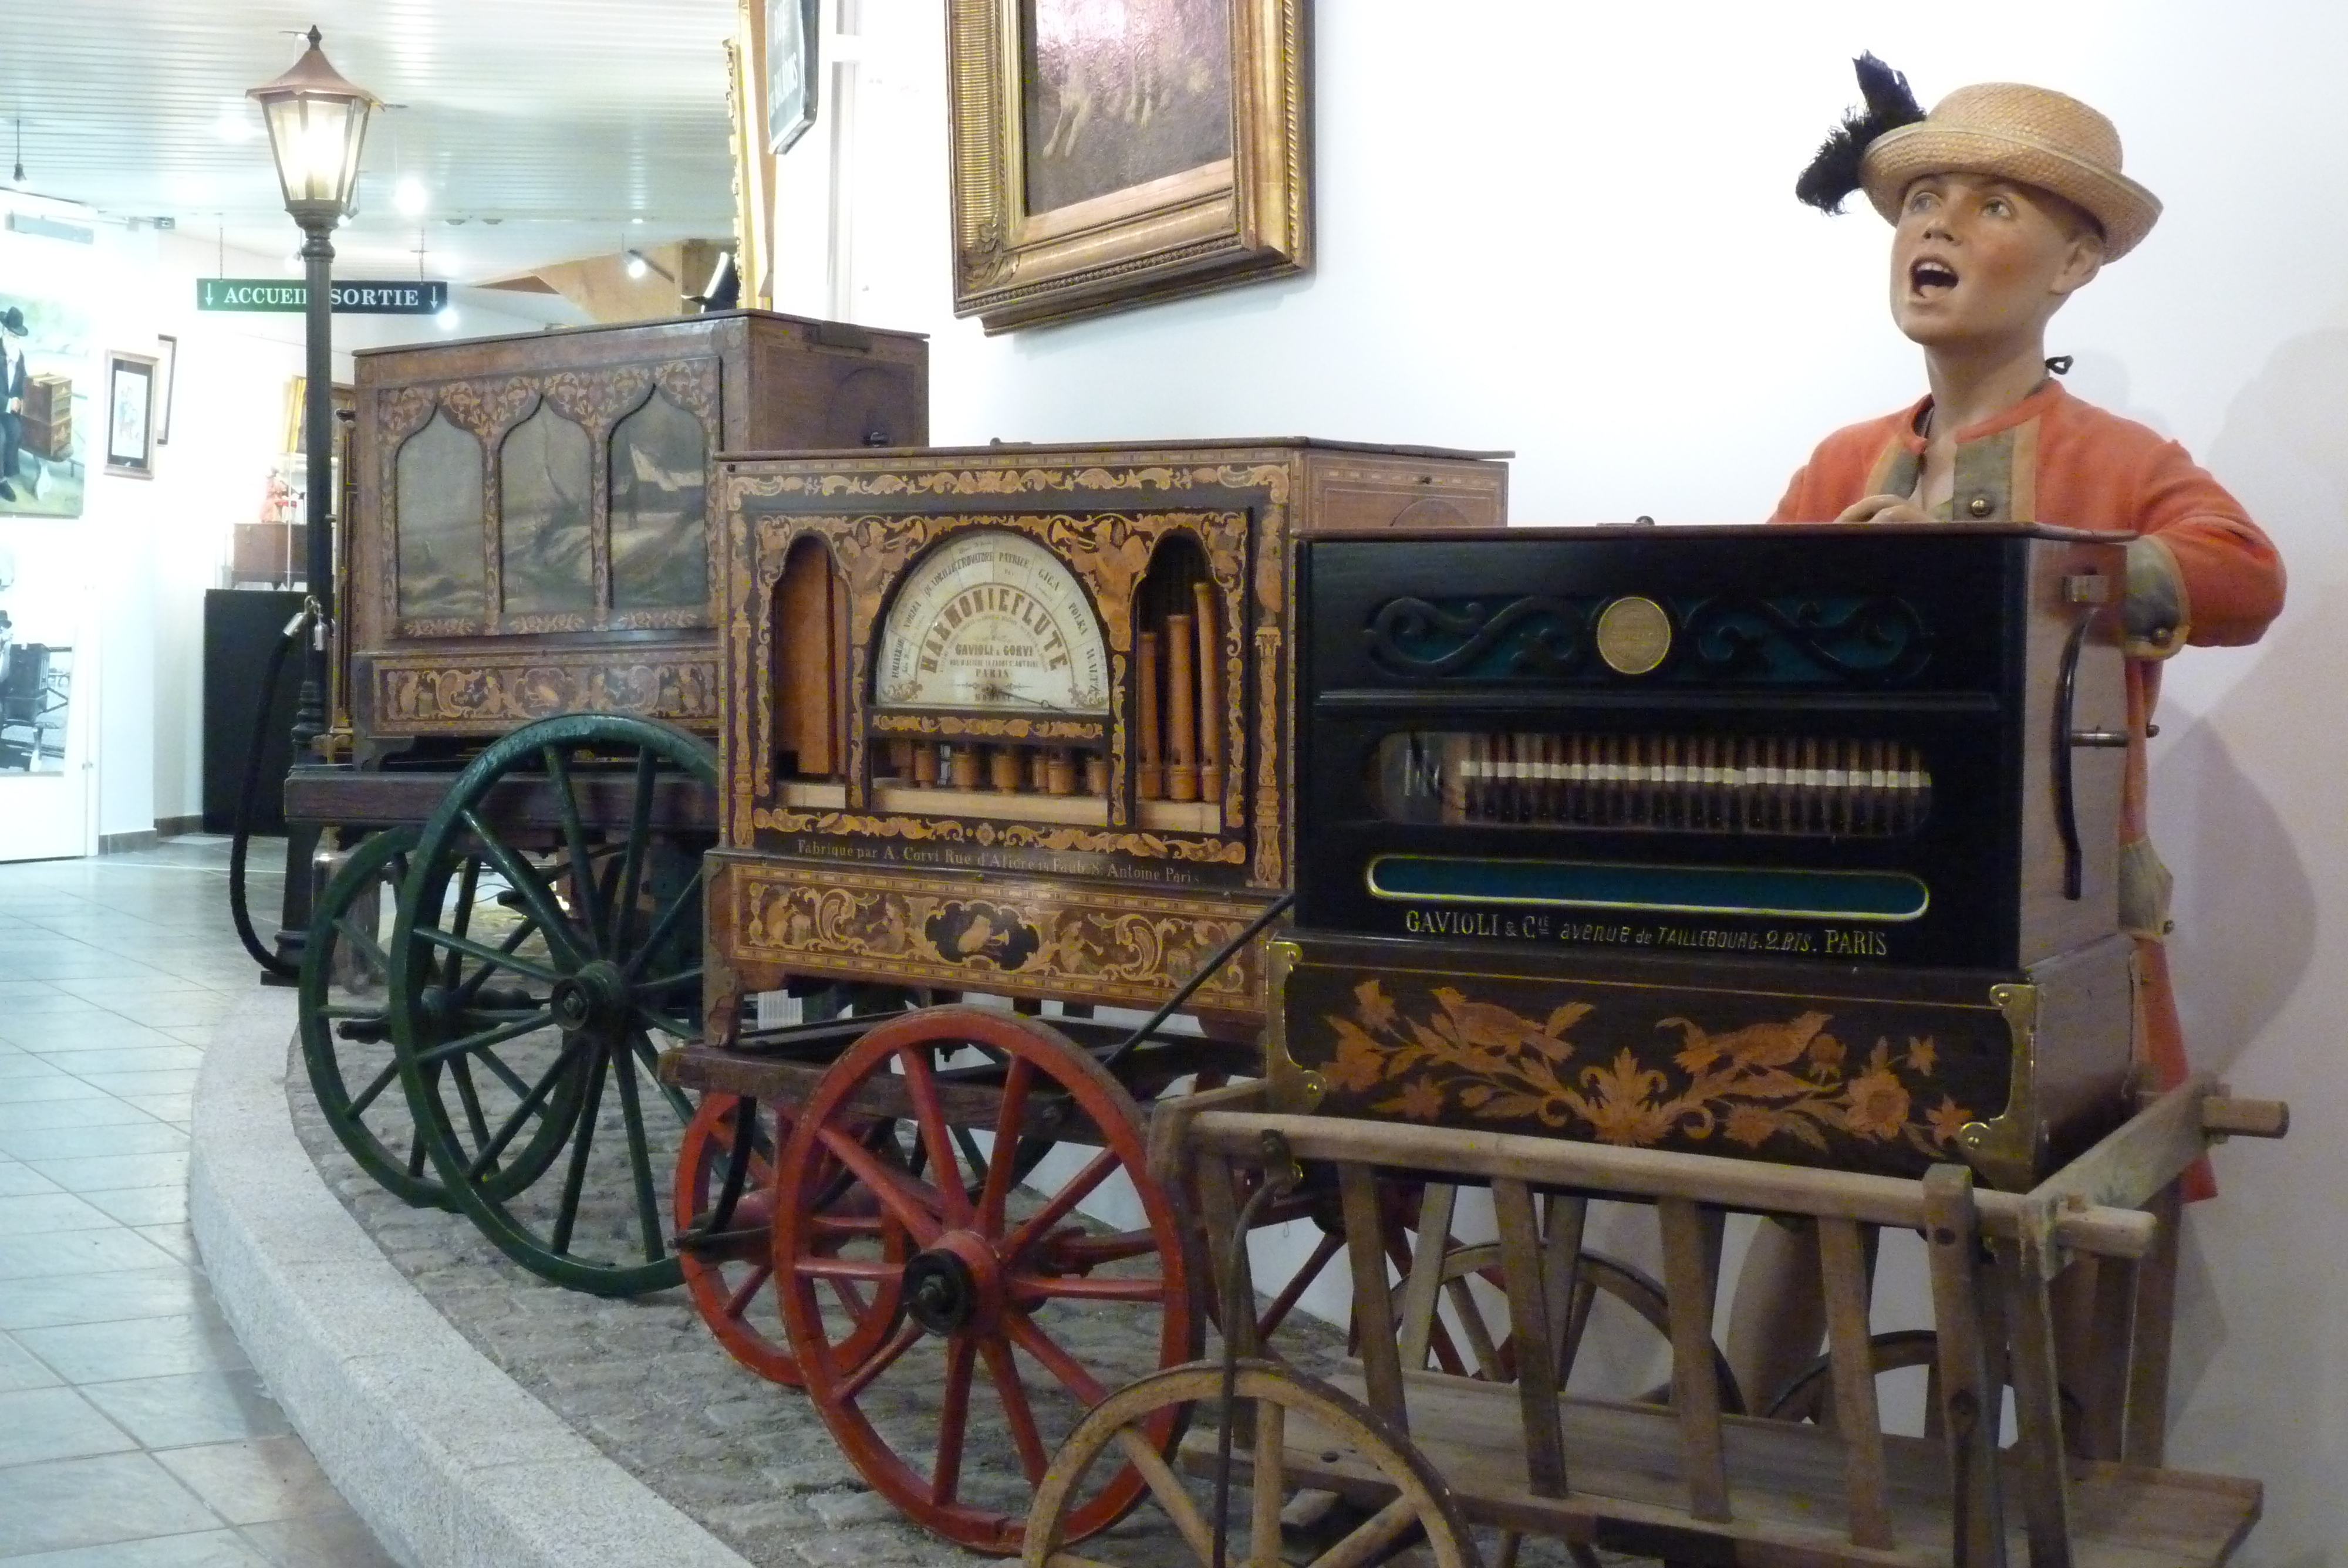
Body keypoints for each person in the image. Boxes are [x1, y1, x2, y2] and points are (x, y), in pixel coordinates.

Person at [1729, 58, 2288, 1414]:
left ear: (2072, 266)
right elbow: (1744, 654)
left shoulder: (2111, 454)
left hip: (2058, 933)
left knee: (2050, 1242)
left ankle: (2047, 1499)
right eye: (1921, 198)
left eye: (1990, 206)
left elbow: (2242, 574)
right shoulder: (1838, 461)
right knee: (1800, 1199)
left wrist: (2019, 562)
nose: (1936, 227)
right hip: (1856, 910)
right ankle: (1740, 1458)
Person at [0, 306, 28, 503]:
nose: (14, 339)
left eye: (17, 336)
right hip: (4, 404)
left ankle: (5, 476)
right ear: (3, 332)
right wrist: (10, 402)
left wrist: (26, 400)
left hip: (7, 410)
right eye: (11, 334)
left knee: (16, 431)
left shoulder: (19, 356)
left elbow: (23, 383)